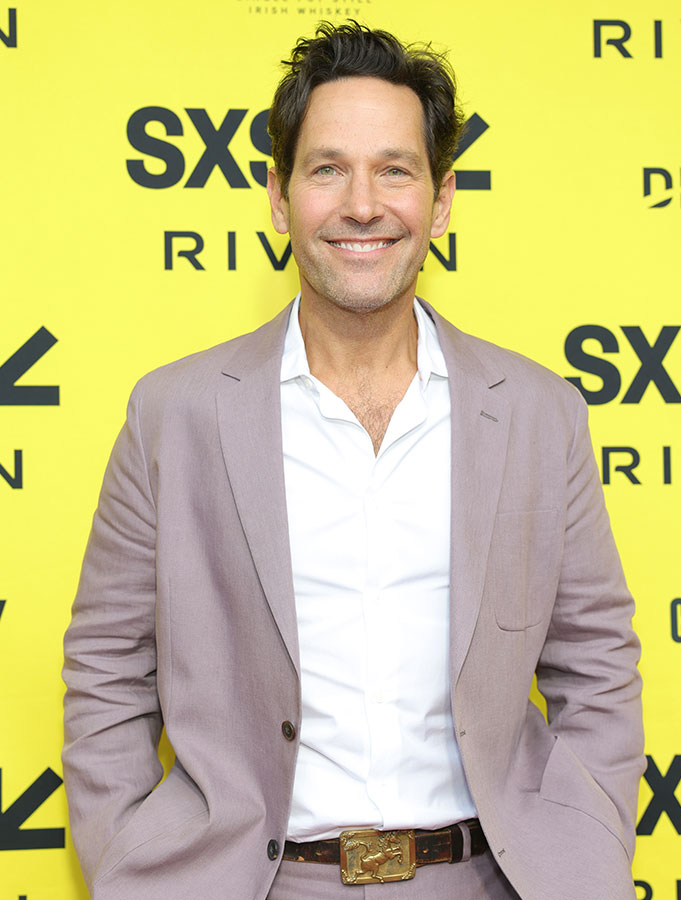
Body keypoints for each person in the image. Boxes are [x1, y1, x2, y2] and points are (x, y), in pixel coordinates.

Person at [62, 21, 644, 900]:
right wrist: (131, 865)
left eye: (395, 170)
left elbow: (597, 663)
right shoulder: (172, 415)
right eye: (328, 169)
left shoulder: (539, 413)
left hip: (488, 880)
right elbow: (107, 669)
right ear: (279, 197)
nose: (362, 205)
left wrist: (586, 847)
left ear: (441, 201)